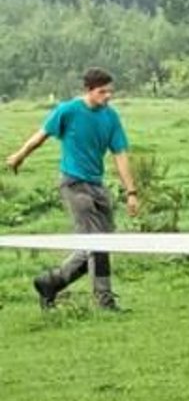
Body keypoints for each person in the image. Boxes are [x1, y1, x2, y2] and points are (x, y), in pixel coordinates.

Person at [6, 67, 140, 311]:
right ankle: (104, 300)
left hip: (97, 185)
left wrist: (131, 192)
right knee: (97, 243)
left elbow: (120, 154)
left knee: (102, 243)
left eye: (110, 91)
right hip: (74, 184)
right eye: (102, 92)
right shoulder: (68, 111)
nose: (108, 96)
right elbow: (41, 135)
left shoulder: (111, 117)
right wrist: (20, 155)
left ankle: (50, 282)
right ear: (88, 90)